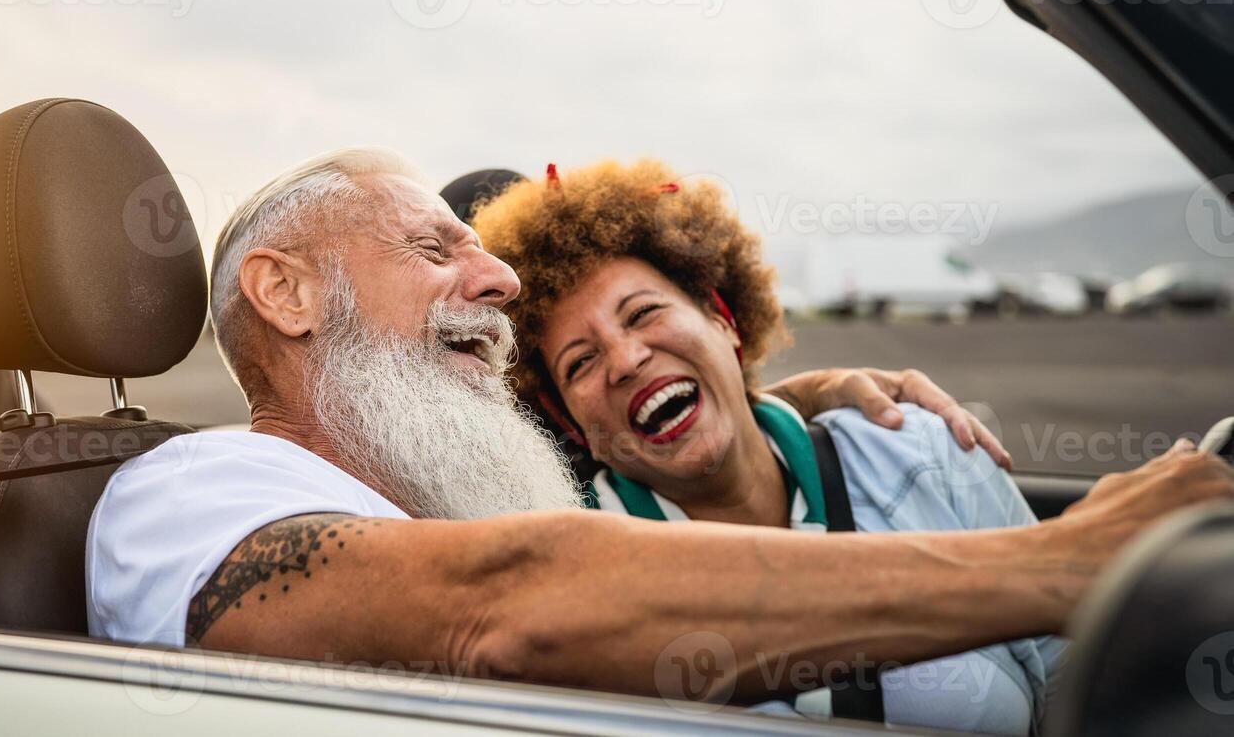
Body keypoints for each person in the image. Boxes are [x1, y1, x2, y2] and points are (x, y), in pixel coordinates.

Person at [85, 147, 1234, 713]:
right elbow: (506, 601)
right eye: (437, 248)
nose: (495, 278)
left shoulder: (471, 497)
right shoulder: (189, 490)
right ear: (286, 295)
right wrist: (1076, 557)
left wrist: (786, 402)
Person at [469, 158, 1064, 732]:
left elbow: (1071, 671)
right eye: (581, 362)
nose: (625, 360)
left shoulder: (922, 449)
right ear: (569, 421)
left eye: (644, 312)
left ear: (723, 319)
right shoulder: (568, 582)